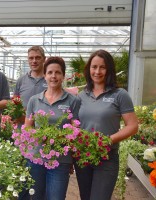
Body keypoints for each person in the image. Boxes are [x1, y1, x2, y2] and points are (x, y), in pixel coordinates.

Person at [74, 49, 138, 200]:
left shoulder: (119, 94)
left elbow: (133, 126)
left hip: (107, 158)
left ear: (108, 69)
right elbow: (75, 124)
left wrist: (108, 140)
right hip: (83, 157)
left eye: (102, 67)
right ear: (88, 69)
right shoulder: (82, 96)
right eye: (94, 67)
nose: (97, 71)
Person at [19, 56, 80, 200]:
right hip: (36, 158)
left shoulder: (73, 101)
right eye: (50, 72)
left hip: (60, 160)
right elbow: (27, 128)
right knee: (35, 196)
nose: (54, 76)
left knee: (56, 197)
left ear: (63, 76)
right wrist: (38, 136)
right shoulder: (34, 100)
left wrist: (60, 139)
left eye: (58, 72)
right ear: (45, 75)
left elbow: (76, 129)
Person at [14, 46, 47, 124]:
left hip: (43, 127)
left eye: (38, 58)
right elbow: (14, 102)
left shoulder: (50, 80)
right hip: (23, 127)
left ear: (44, 59)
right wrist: (17, 115)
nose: (34, 61)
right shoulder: (21, 80)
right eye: (31, 58)